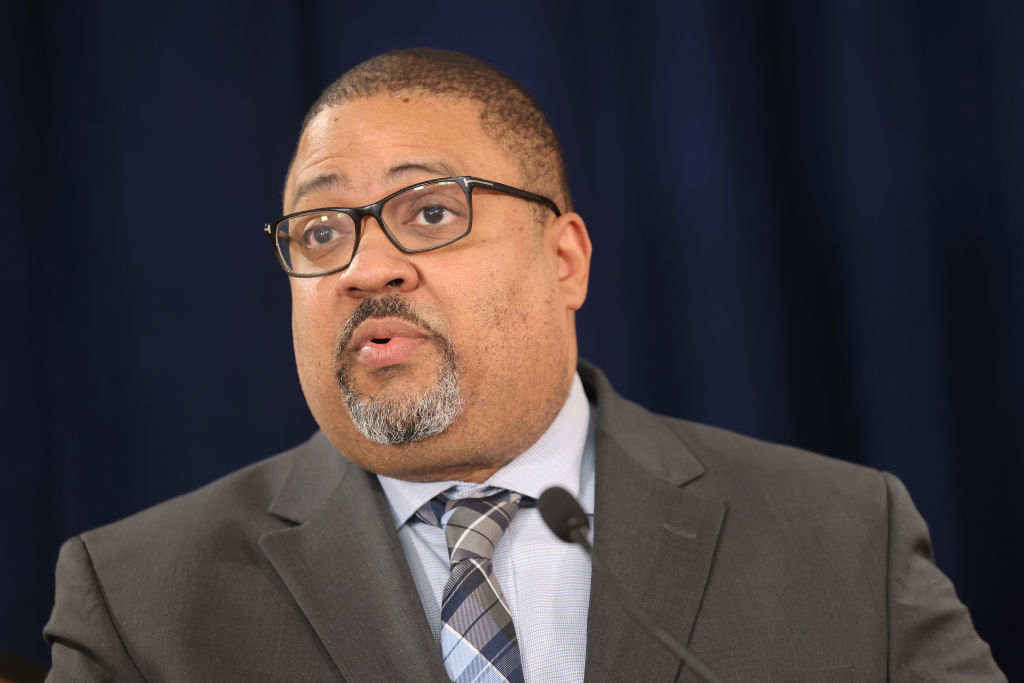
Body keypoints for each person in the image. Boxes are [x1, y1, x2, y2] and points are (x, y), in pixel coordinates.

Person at [43, 49, 1004, 682]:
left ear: (565, 260)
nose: (366, 265)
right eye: (322, 228)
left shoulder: (845, 537)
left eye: (430, 211)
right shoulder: (137, 599)